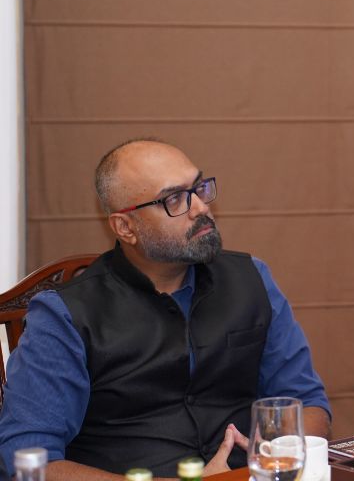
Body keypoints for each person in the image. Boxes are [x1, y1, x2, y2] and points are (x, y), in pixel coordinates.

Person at [0, 139, 331, 478]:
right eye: (174, 199)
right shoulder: (66, 315)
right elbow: (27, 457)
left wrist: (275, 461)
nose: (200, 207)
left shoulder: (252, 279)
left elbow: (306, 403)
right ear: (125, 227)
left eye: (199, 188)